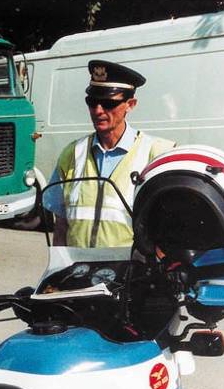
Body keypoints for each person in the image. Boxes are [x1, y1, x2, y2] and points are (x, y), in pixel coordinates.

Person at [48, 60, 176, 248]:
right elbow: (61, 225)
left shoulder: (156, 154)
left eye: (108, 103)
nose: (98, 110)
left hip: (130, 272)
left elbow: (169, 230)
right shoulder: (73, 153)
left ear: (130, 104)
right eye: (92, 102)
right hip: (79, 271)